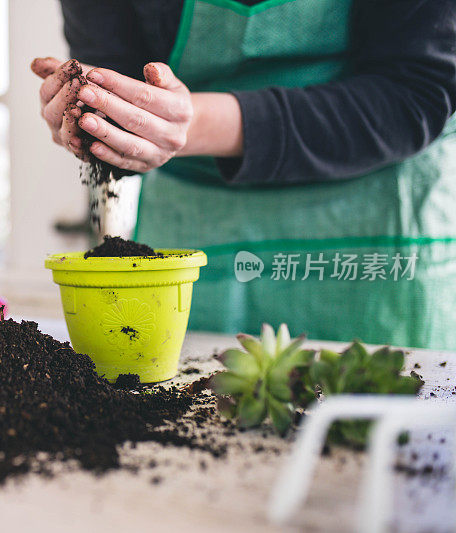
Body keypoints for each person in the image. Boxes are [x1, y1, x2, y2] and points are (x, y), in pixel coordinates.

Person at [31, 0, 456, 349]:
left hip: (376, 222)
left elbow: (415, 89)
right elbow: (112, 81)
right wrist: (91, 113)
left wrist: (192, 123)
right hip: (196, 224)